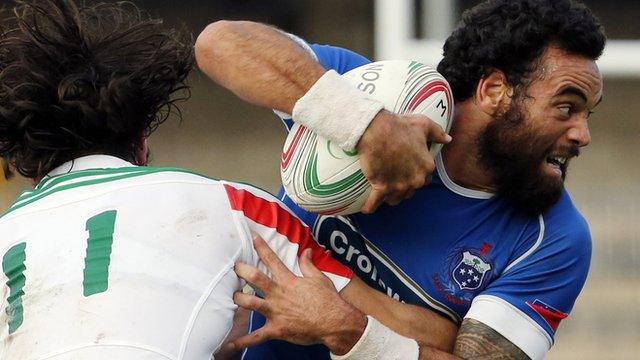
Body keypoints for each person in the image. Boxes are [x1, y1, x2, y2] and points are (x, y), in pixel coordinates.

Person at [0, 1, 458, 359]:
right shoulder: (234, 206)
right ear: (141, 142)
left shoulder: (6, 232)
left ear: (33, 163)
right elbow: (425, 333)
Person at [195, 0, 605, 358]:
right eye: (566, 108)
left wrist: (348, 328)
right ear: (494, 90)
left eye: (588, 114)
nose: (582, 135)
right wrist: (364, 124)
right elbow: (219, 43)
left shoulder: (555, 239)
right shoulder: (375, 95)